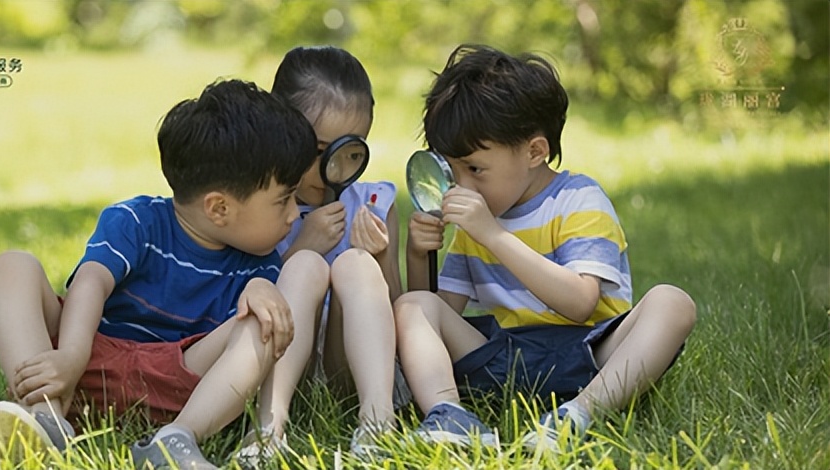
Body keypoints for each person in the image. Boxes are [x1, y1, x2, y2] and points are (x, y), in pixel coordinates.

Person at [0, 79, 318, 469]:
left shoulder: (259, 262)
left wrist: (261, 287)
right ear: (219, 208)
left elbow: (252, 340)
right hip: (88, 363)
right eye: (284, 199)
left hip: (180, 382)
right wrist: (71, 356)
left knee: (264, 318)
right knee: (12, 266)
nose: (295, 214)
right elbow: (91, 282)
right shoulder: (137, 221)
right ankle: (44, 414)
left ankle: (176, 439)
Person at [395, 43, 697, 453]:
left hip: (589, 356)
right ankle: (450, 414)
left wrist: (495, 236)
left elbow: (580, 303)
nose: (461, 186)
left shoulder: (578, 199)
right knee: (412, 307)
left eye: (475, 169)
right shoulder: (477, 222)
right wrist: (418, 255)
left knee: (672, 302)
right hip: (506, 358)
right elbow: (441, 316)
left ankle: (578, 415)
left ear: (535, 151)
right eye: (452, 169)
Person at [233, 45, 406, 464]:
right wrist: (298, 248)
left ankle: (377, 421)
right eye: (319, 150)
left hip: (351, 368)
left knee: (354, 263)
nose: (335, 167)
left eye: (352, 151)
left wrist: (378, 258)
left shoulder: (376, 202)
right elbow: (236, 299)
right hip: (273, 362)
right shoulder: (263, 205)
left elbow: (397, 306)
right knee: (308, 265)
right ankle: (270, 425)